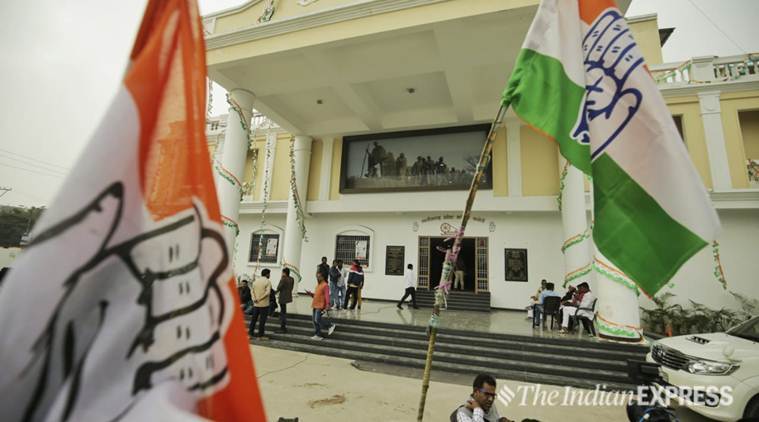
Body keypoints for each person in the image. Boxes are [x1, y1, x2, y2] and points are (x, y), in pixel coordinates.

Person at [309, 271, 335, 340]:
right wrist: (311, 294)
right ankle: (318, 334)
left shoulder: (325, 285)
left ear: (323, 277)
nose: (317, 278)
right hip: (315, 304)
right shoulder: (318, 285)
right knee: (314, 321)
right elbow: (317, 295)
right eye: (317, 276)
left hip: (320, 305)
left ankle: (330, 325)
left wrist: (328, 304)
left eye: (319, 277)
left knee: (317, 319)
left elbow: (327, 296)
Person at [248, 268, 272, 340]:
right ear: (267, 274)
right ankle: (260, 336)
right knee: (262, 320)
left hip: (256, 304)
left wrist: (254, 299)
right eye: (269, 274)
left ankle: (250, 334)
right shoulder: (267, 281)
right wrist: (260, 298)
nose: (269, 275)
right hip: (264, 305)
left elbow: (252, 291)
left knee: (253, 320)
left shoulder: (256, 281)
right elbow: (267, 292)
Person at [276, 268, 294, 333]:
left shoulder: (283, 278)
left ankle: (283, 327)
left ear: (284, 273)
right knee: (284, 311)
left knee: (283, 312)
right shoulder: (292, 279)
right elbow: (291, 288)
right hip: (288, 296)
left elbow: (279, 287)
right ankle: (283, 327)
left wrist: (275, 292)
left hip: (282, 297)